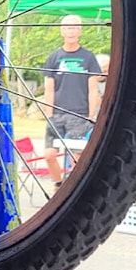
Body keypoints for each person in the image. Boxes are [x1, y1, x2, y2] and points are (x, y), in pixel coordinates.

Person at [41, 15, 101, 186]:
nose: (71, 30)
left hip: (80, 113)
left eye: (75, 27)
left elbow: (93, 88)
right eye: (67, 27)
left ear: (80, 31)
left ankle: (75, 189)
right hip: (57, 114)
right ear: (62, 31)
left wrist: (91, 114)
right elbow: (49, 89)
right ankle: (59, 185)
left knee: (77, 157)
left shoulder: (88, 57)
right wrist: (49, 113)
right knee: (49, 154)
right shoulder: (53, 57)